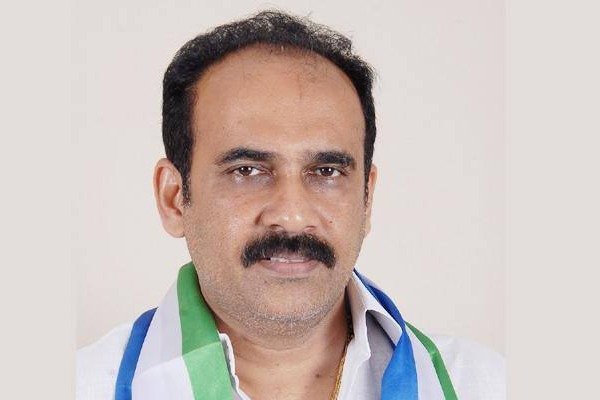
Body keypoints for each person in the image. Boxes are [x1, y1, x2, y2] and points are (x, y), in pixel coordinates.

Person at [77, 10, 505, 400]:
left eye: (327, 171)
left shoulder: (489, 385)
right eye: (247, 171)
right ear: (173, 199)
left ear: (367, 198)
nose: (292, 214)